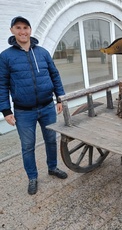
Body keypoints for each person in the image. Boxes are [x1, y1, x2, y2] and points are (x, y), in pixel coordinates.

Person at [0, 16, 68, 195]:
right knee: (28, 146)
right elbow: (2, 84)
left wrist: (60, 99)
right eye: (18, 28)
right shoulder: (6, 57)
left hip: (47, 107)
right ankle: (32, 177)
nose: (23, 31)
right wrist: (6, 110)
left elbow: (55, 75)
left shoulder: (42, 52)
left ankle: (52, 168)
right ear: (12, 31)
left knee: (51, 141)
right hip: (24, 111)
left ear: (30, 30)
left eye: (26, 27)